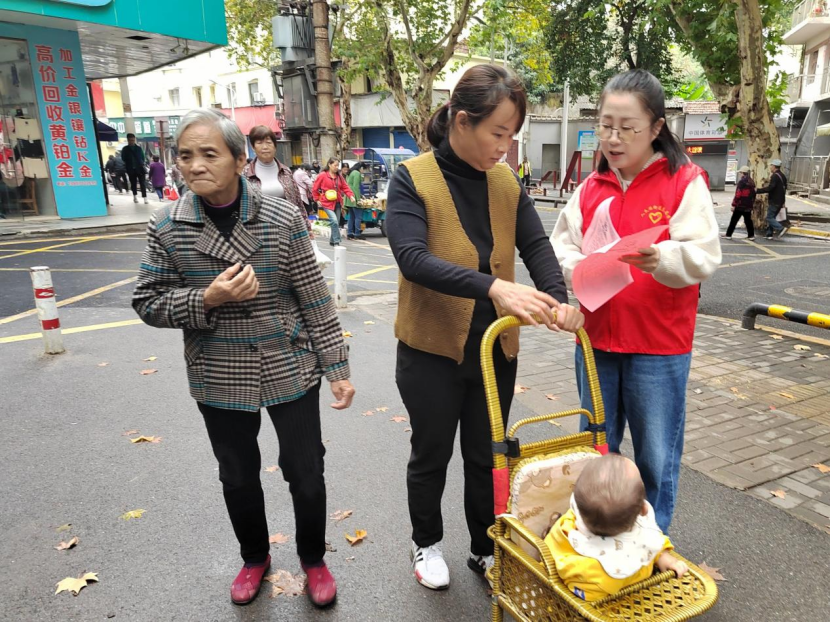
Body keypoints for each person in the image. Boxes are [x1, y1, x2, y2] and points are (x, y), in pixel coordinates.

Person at [132, 109, 355, 609]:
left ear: (239, 160)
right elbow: (147, 301)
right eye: (185, 155)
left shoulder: (280, 217)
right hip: (217, 368)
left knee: (306, 470)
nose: (195, 165)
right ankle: (254, 556)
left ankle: (313, 559)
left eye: (209, 154)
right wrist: (206, 298)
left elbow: (315, 298)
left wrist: (337, 369)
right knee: (236, 473)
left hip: (288, 361)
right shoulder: (167, 225)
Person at [386, 64, 584, 591]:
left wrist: (557, 300)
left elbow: (535, 245)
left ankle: (485, 546)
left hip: (495, 349)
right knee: (432, 453)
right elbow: (412, 259)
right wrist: (494, 287)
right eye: (497, 133)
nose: (505, 147)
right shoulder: (412, 178)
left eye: (511, 135)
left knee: (488, 455)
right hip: (430, 351)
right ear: (461, 121)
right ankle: (426, 542)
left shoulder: (504, 181)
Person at [551, 69, 722, 534]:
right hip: (596, 340)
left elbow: (704, 254)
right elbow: (562, 246)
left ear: (656, 127)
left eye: (627, 127)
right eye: (606, 125)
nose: (613, 138)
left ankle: (651, 541)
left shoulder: (683, 182)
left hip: (658, 345)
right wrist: (582, 265)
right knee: (595, 448)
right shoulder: (591, 187)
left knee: (655, 454)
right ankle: (593, 539)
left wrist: (661, 257)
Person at [544, 454, 688, 602]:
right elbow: (581, 602)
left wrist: (661, 555)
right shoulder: (593, 572)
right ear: (643, 510)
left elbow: (650, 539)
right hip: (607, 597)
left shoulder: (579, 519)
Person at [242, 125, 310, 234]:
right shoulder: (245, 174)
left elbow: (297, 202)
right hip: (257, 232)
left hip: (287, 229)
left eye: (269, 142)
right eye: (259, 143)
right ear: (253, 147)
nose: (265, 147)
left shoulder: (286, 171)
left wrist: (307, 227)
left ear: (275, 146)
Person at [312, 158, 354, 247]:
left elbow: (345, 187)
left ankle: (332, 241)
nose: (337, 167)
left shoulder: (339, 176)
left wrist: (350, 196)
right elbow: (315, 188)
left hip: (337, 202)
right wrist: (317, 199)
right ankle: (336, 242)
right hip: (326, 202)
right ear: (329, 165)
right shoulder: (322, 175)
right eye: (335, 165)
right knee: (334, 221)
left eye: (338, 165)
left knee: (336, 223)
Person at [757, 158, 789, 240]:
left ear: (774, 166)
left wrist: (758, 190)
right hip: (780, 201)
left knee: (769, 217)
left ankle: (781, 228)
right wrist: (783, 201)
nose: (770, 167)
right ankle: (769, 234)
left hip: (775, 201)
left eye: (771, 165)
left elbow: (770, 188)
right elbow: (784, 189)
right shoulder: (783, 176)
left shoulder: (775, 176)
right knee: (772, 217)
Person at [723, 166, 756, 241]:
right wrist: (751, 203)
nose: (739, 174)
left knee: (734, 220)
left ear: (742, 173)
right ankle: (751, 235)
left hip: (740, 204)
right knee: (748, 220)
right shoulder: (751, 182)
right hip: (748, 205)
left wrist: (733, 204)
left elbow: (738, 194)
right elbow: (754, 193)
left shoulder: (741, 182)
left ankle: (728, 234)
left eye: (740, 172)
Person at [122, 133, 149, 204]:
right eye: (130, 140)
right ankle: (135, 196)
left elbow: (143, 157)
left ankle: (145, 198)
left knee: (142, 183)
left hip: (140, 169)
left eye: (133, 140)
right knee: (133, 183)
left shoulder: (139, 148)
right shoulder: (125, 149)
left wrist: (141, 163)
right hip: (130, 169)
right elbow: (123, 158)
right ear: (128, 140)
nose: (132, 142)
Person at [345, 163, 366, 241]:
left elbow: (350, 186)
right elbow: (356, 187)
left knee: (351, 217)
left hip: (349, 197)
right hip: (354, 197)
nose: (363, 171)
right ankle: (357, 234)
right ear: (361, 168)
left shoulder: (350, 172)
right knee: (358, 217)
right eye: (364, 169)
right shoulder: (357, 173)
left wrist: (360, 195)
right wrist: (358, 199)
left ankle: (350, 233)